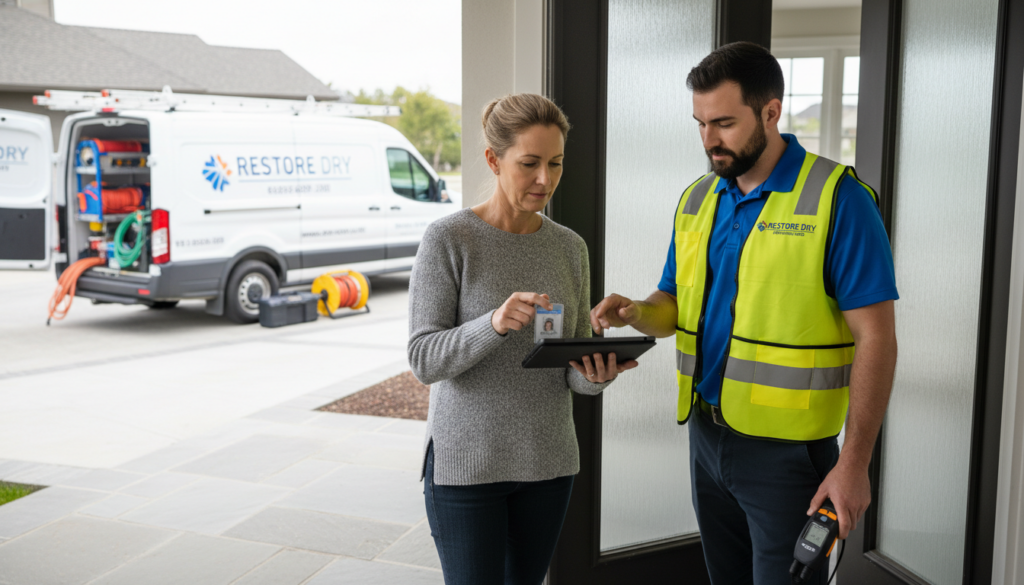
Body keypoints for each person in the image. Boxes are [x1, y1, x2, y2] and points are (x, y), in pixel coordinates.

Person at [590, 42, 898, 585]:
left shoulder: (839, 199)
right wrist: (637, 311)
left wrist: (853, 464)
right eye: (700, 123)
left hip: (789, 458)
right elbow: (674, 305)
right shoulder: (697, 198)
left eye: (725, 123)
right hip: (706, 439)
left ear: (771, 112)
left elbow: (876, 338)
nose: (709, 140)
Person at [408, 93, 638, 585]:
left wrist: (596, 375)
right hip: (467, 468)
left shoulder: (569, 247)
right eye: (529, 163)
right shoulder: (449, 239)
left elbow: (567, 366)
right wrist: (493, 323)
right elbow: (423, 359)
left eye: (555, 164)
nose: (545, 180)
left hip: (548, 462)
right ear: (494, 160)